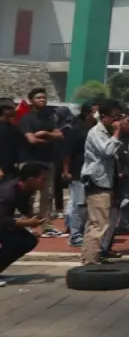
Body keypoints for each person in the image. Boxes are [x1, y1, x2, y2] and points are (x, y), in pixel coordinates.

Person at [81, 100, 128, 265]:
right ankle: (90, 261)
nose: (117, 121)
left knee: (101, 222)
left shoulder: (107, 132)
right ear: (103, 116)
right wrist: (117, 132)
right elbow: (107, 151)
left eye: (119, 117)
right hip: (97, 182)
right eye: (114, 117)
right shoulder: (96, 132)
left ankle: (93, 256)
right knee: (97, 223)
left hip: (108, 182)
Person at [18, 88, 64, 236]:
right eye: (38, 98)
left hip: (48, 160)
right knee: (29, 195)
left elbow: (60, 135)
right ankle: (27, 223)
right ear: (31, 101)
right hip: (30, 161)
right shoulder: (27, 119)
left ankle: (46, 225)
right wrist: (49, 139)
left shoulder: (50, 118)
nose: (42, 100)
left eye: (44, 97)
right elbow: (31, 140)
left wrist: (45, 133)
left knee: (47, 194)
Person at [0, 162, 50, 286]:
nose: (45, 182)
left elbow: (24, 209)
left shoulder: (26, 189)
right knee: (16, 238)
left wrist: (34, 219)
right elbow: (2, 220)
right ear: (30, 179)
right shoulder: (8, 192)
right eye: (43, 179)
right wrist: (28, 223)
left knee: (27, 240)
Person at [64, 103, 96, 248]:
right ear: (88, 113)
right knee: (79, 204)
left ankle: (79, 230)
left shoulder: (95, 129)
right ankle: (75, 235)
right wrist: (66, 170)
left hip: (91, 171)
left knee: (84, 204)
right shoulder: (77, 129)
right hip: (78, 170)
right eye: (95, 111)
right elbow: (68, 151)